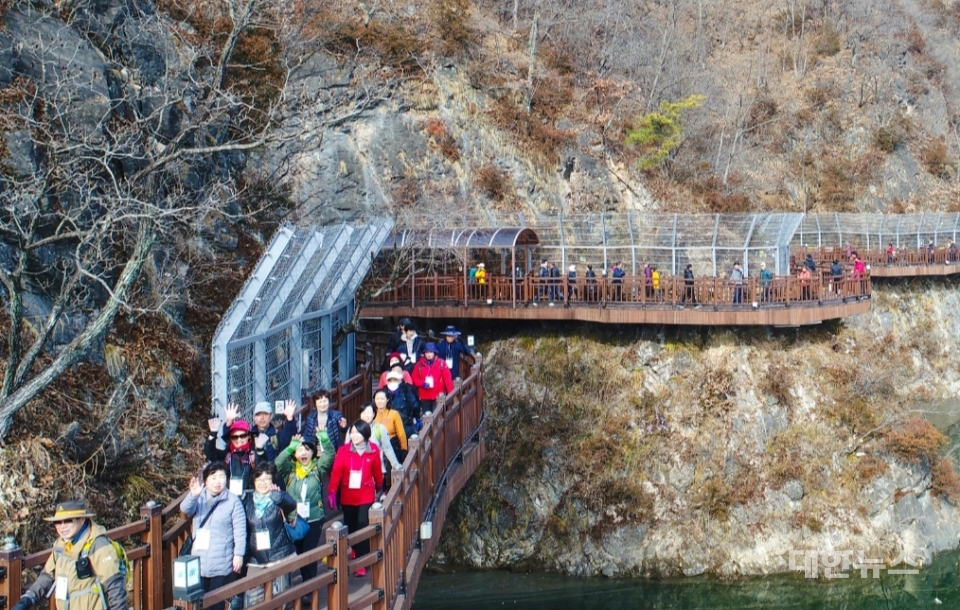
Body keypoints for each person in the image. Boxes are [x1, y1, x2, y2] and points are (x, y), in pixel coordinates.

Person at [12, 501, 126, 610]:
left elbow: (115, 587)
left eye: (68, 521)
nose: (62, 527)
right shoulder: (60, 544)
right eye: (58, 522)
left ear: (82, 519)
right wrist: (27, 600)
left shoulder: (99, 545)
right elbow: (47, 576)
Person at [181, 462, 247, 610]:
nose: (218, 481)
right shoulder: (200, 497)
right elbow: (185, 510)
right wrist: (193, 495)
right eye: (213, 477)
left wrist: (239, 554)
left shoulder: (233, 501)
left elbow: (240, 530)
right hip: (199, 560)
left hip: (221, 561)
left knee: (216, 603)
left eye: (221, 477)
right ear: (205, 481)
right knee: (198, 602)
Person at [328, 421, 383, 578]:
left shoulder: (373, 450)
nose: (354, 436)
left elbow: (377, 471)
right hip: (348, 494)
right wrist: (332, 491)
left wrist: (379, 484)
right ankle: (355, 549)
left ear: (365, 435)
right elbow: (336, 473)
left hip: (366, 494)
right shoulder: (343, 450)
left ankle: (362, 562)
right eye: (352, 432)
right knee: (351, 525)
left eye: (357, 433)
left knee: (363, 525)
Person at [241, 464, 297, 607]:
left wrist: (277, 495)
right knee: (253, 597)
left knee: (282, 598)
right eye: (259, 479)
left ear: (272, 480)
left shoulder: (278, 497)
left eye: (267, 479)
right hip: (256, 557)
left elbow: (291, 504)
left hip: (279, 554)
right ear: (253, 482)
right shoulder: (247, 501)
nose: (263, 483)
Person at [275, 435, 326, 584]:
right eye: (299, 450)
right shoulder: (289, 471)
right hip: (294, 520)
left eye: (307, 449)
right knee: (298, 553)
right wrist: (290, 447)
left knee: (309, 554)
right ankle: (300, 587)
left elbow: (330, 456)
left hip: (314, 518)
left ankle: (309, 587)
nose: (303, 453)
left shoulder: (318, 468)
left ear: (313, 452)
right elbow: (278, 463)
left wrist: (326, 441)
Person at [205, 406, 271, 497]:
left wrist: (260, 449)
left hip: (250, 497)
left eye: (242, 435)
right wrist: (213, 434)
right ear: (231, 439)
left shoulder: (253, 454)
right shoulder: (227, 454)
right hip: (228, 498)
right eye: (234, 437)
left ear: (249, 436)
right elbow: (210, 454)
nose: (239, 439)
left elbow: (263, 468)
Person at [298, 389, 346, 476]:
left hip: (332, 451)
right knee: (318, 476)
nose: (323, 404)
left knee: (335, 476)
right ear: (315, 403)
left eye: (325, 401)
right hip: (318, 451)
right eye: (320, 401)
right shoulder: (311, 418)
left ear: (329, 401)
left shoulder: (335, 415)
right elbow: (307, 435)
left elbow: (343, 427)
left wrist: (344, 424)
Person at [359, 402, 402, 490]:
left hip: (377, 470)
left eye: (369, 413)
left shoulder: (380, 428)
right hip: (359, 470)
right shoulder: (354, 429)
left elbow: (387, 448)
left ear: (374, 414)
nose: (366, 415)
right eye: (364, 413)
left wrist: (396, 465)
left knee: (374, 495)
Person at [412, 343, 454, 416]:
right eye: (427, 352)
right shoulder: (419, 364)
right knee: (426, 418)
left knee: (438, 417)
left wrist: (452, 394)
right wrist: (422, 383)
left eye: (431, 352)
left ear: (434, 352)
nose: (428, 354)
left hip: (438, 396)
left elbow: (448, 379)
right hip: (424, 396)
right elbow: (414, 378)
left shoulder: (441, 363)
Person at [382, 367, 420, 438]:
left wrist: (417, 417)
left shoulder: (406, 391)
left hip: (405, 425)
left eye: (395, 380)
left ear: (400, 381)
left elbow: (414, 405)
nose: (392, 382)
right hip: (387, 427)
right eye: (390, 380)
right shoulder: (383, 392)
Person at [373, 388, 408, 463]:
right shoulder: (371, 414)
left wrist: (404, 449)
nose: (379, 401)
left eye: (382, 399)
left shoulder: (394, 414)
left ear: (387, 399)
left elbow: (401, 433)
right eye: (377, 399)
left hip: (392, 444)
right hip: (375, 446)